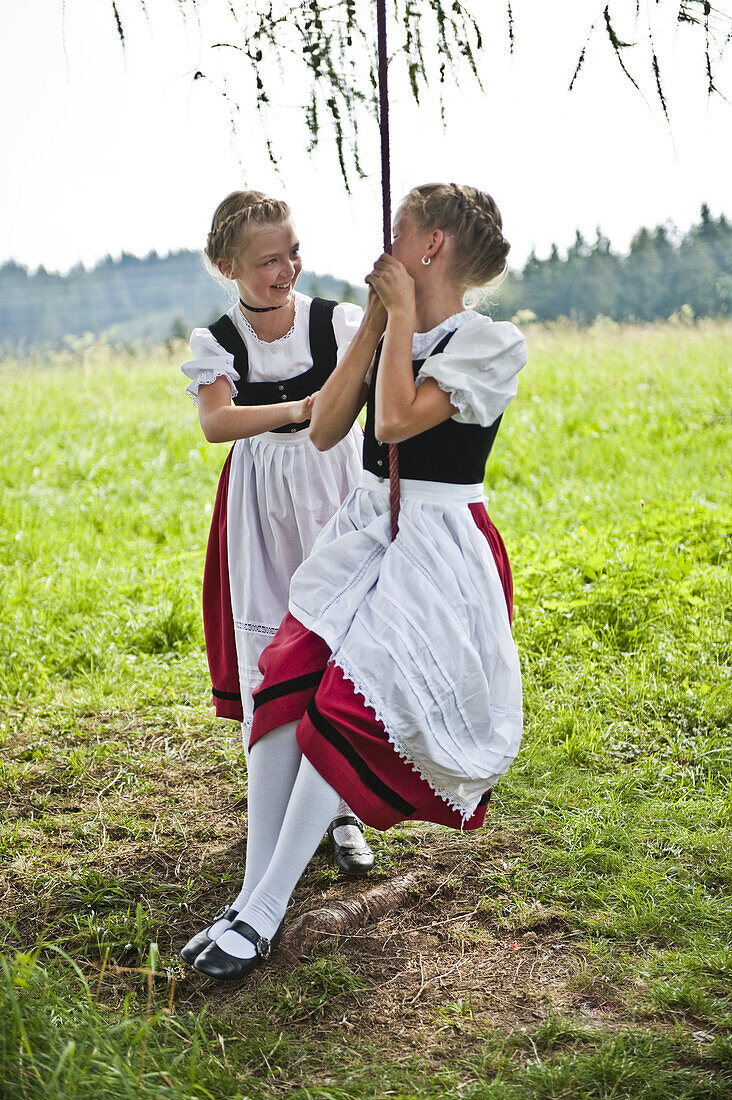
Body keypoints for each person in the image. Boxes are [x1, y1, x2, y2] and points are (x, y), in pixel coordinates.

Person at [186, 182, 527, 981]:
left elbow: (399, 422)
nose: (383, 248)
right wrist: (374, 326)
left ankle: (264, 915)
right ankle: (248, 895)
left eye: (397, 231)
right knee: (284, 683)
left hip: (435, 543)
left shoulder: (489, 342)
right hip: (366, 527)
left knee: (344, 707)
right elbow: (332, 428)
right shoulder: (377, 327)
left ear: (429, 246)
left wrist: (400, 320)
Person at [179, 190, 375, 966]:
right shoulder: (220, 339)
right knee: (277, 652)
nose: (286, 269)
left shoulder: (336, 322)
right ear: (228, 266)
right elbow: (216, 422)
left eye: (293, 252)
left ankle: (341, 809)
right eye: (267, 260)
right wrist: (299, 408)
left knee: (343, 647)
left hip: (336, 490)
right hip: (263, 501)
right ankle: (281, 803)